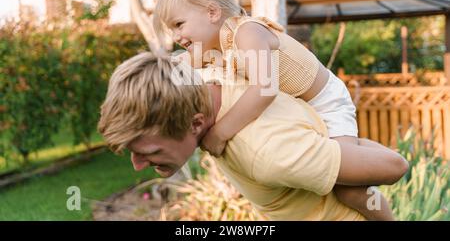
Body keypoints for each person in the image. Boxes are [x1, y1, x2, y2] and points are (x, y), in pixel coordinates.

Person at [151, 0, 395, 220]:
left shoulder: (248, 33)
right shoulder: (211, 47)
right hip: (297, 108)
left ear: (212, 12)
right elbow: (178, 66)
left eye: (179, 24)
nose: (176, 36)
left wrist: (221, 132)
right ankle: (359, 148)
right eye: (172, 29)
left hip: (325, 103)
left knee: (348, 189)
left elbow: (265, 89)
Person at [97, 53, 409, 221]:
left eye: (147, 150)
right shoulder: (200, 77)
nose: (137, 165)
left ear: (195, 124)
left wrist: (333, 147)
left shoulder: (268, 152)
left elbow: (394, 166)